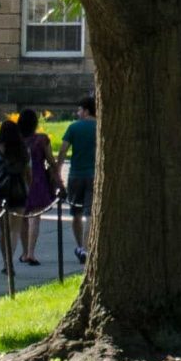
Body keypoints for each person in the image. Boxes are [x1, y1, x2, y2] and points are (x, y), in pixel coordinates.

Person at [15, 109, 57, 265]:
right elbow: (51, 161)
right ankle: (31, 252)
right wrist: (57, 179)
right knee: (35, 218)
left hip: (20, 181)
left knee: (23, 218)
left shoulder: (17, 140)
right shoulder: (41, 140)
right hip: (38, 180)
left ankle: (24, 251)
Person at [0, 113, 33, 263]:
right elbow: (28, 173)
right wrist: (30, 187)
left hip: (0, 191)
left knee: (3, 230)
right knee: (15, 228)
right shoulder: (23, 151)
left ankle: (5, 261)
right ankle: (11, 258)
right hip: (19, 191)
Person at [61, 95, 98, 261]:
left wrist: (57, 171)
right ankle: (85, 246)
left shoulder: (73, 128)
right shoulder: (100, 127)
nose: (77, 113)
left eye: (79, 110)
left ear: (86, 110)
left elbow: (63, 151)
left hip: (75, 174)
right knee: (90, 212)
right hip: (94, 175)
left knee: (75, 212)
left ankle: (80, 246)